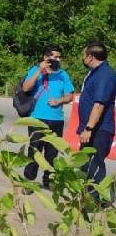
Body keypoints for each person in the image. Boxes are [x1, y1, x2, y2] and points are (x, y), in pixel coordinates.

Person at [22, 46, 74, 188]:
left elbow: (70, 95)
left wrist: (59, 101)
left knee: (52, 152)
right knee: (34, 150)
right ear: (46, 58)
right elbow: (26, 88)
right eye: (55, 57)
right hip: (37, 118)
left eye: (59, 57)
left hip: (57, 119)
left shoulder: (63, 74)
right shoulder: (35, 70)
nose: (57, 60)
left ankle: (48, 180)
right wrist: (39, 70)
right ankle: (28, 181)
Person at [77, 41, 116, 201]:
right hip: (92, 129)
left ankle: (97, 201)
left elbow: (99, 104)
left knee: (94, 165)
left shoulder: (104, 75)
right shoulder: (96, 73)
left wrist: (88, 128)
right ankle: (88, 197)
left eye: (84, 55)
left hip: (98, 130)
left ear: (90, 56)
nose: (83, 58)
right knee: (86, 164)